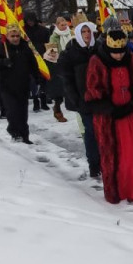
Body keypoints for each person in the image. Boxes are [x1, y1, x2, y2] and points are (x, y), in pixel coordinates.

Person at [84, 29, 133, 204]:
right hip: (111, 118)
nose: (118, 56)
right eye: (115, 53)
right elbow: (93, 93)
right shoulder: (97, 62)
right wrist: (110, 109)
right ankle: (125, 188)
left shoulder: (132, 59)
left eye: (121, 52)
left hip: (132, 114)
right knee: (121, 155)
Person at [59, 21, 101, 177]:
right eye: (83, 32)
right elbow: (66, 78)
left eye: (89, 31)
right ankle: (94, 165)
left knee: (102, 131)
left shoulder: (99, 48)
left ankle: (105, 160)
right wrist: (76, 99)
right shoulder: (70, 52)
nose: (87, 35)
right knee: (90, 131)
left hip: (100, 98)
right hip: (83, 99)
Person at [0, 24, 38, 143]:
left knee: (22, 111)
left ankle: (25, 135)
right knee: (12, 110)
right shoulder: (1, 48)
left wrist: (37, 79)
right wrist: (3, 62)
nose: (15, 38)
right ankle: (14, 132)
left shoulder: (25, 48)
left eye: (17, 36)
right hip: (7, 86)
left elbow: (33, 65)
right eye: (12, 36)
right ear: (7, 36)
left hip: (23, 85)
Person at [46, 16, 74, 122]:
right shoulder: (54, 37)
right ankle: (57, 109)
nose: (63, 26)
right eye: (61, 25)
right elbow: (52, 51)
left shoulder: (71, 33)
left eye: (65, 24)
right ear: (57, 25)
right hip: (59, 65)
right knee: (59, 90)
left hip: (71, 63)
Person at [25, 14, 51, 112]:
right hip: (30, 59)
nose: (30, 22)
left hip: (43, 57)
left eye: (31, 20)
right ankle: (36, 101)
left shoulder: (44, 30)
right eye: (28, 20)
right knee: (33, 82)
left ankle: (43, 101)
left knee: (44, 80)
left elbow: (49, 43)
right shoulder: (24, 31)